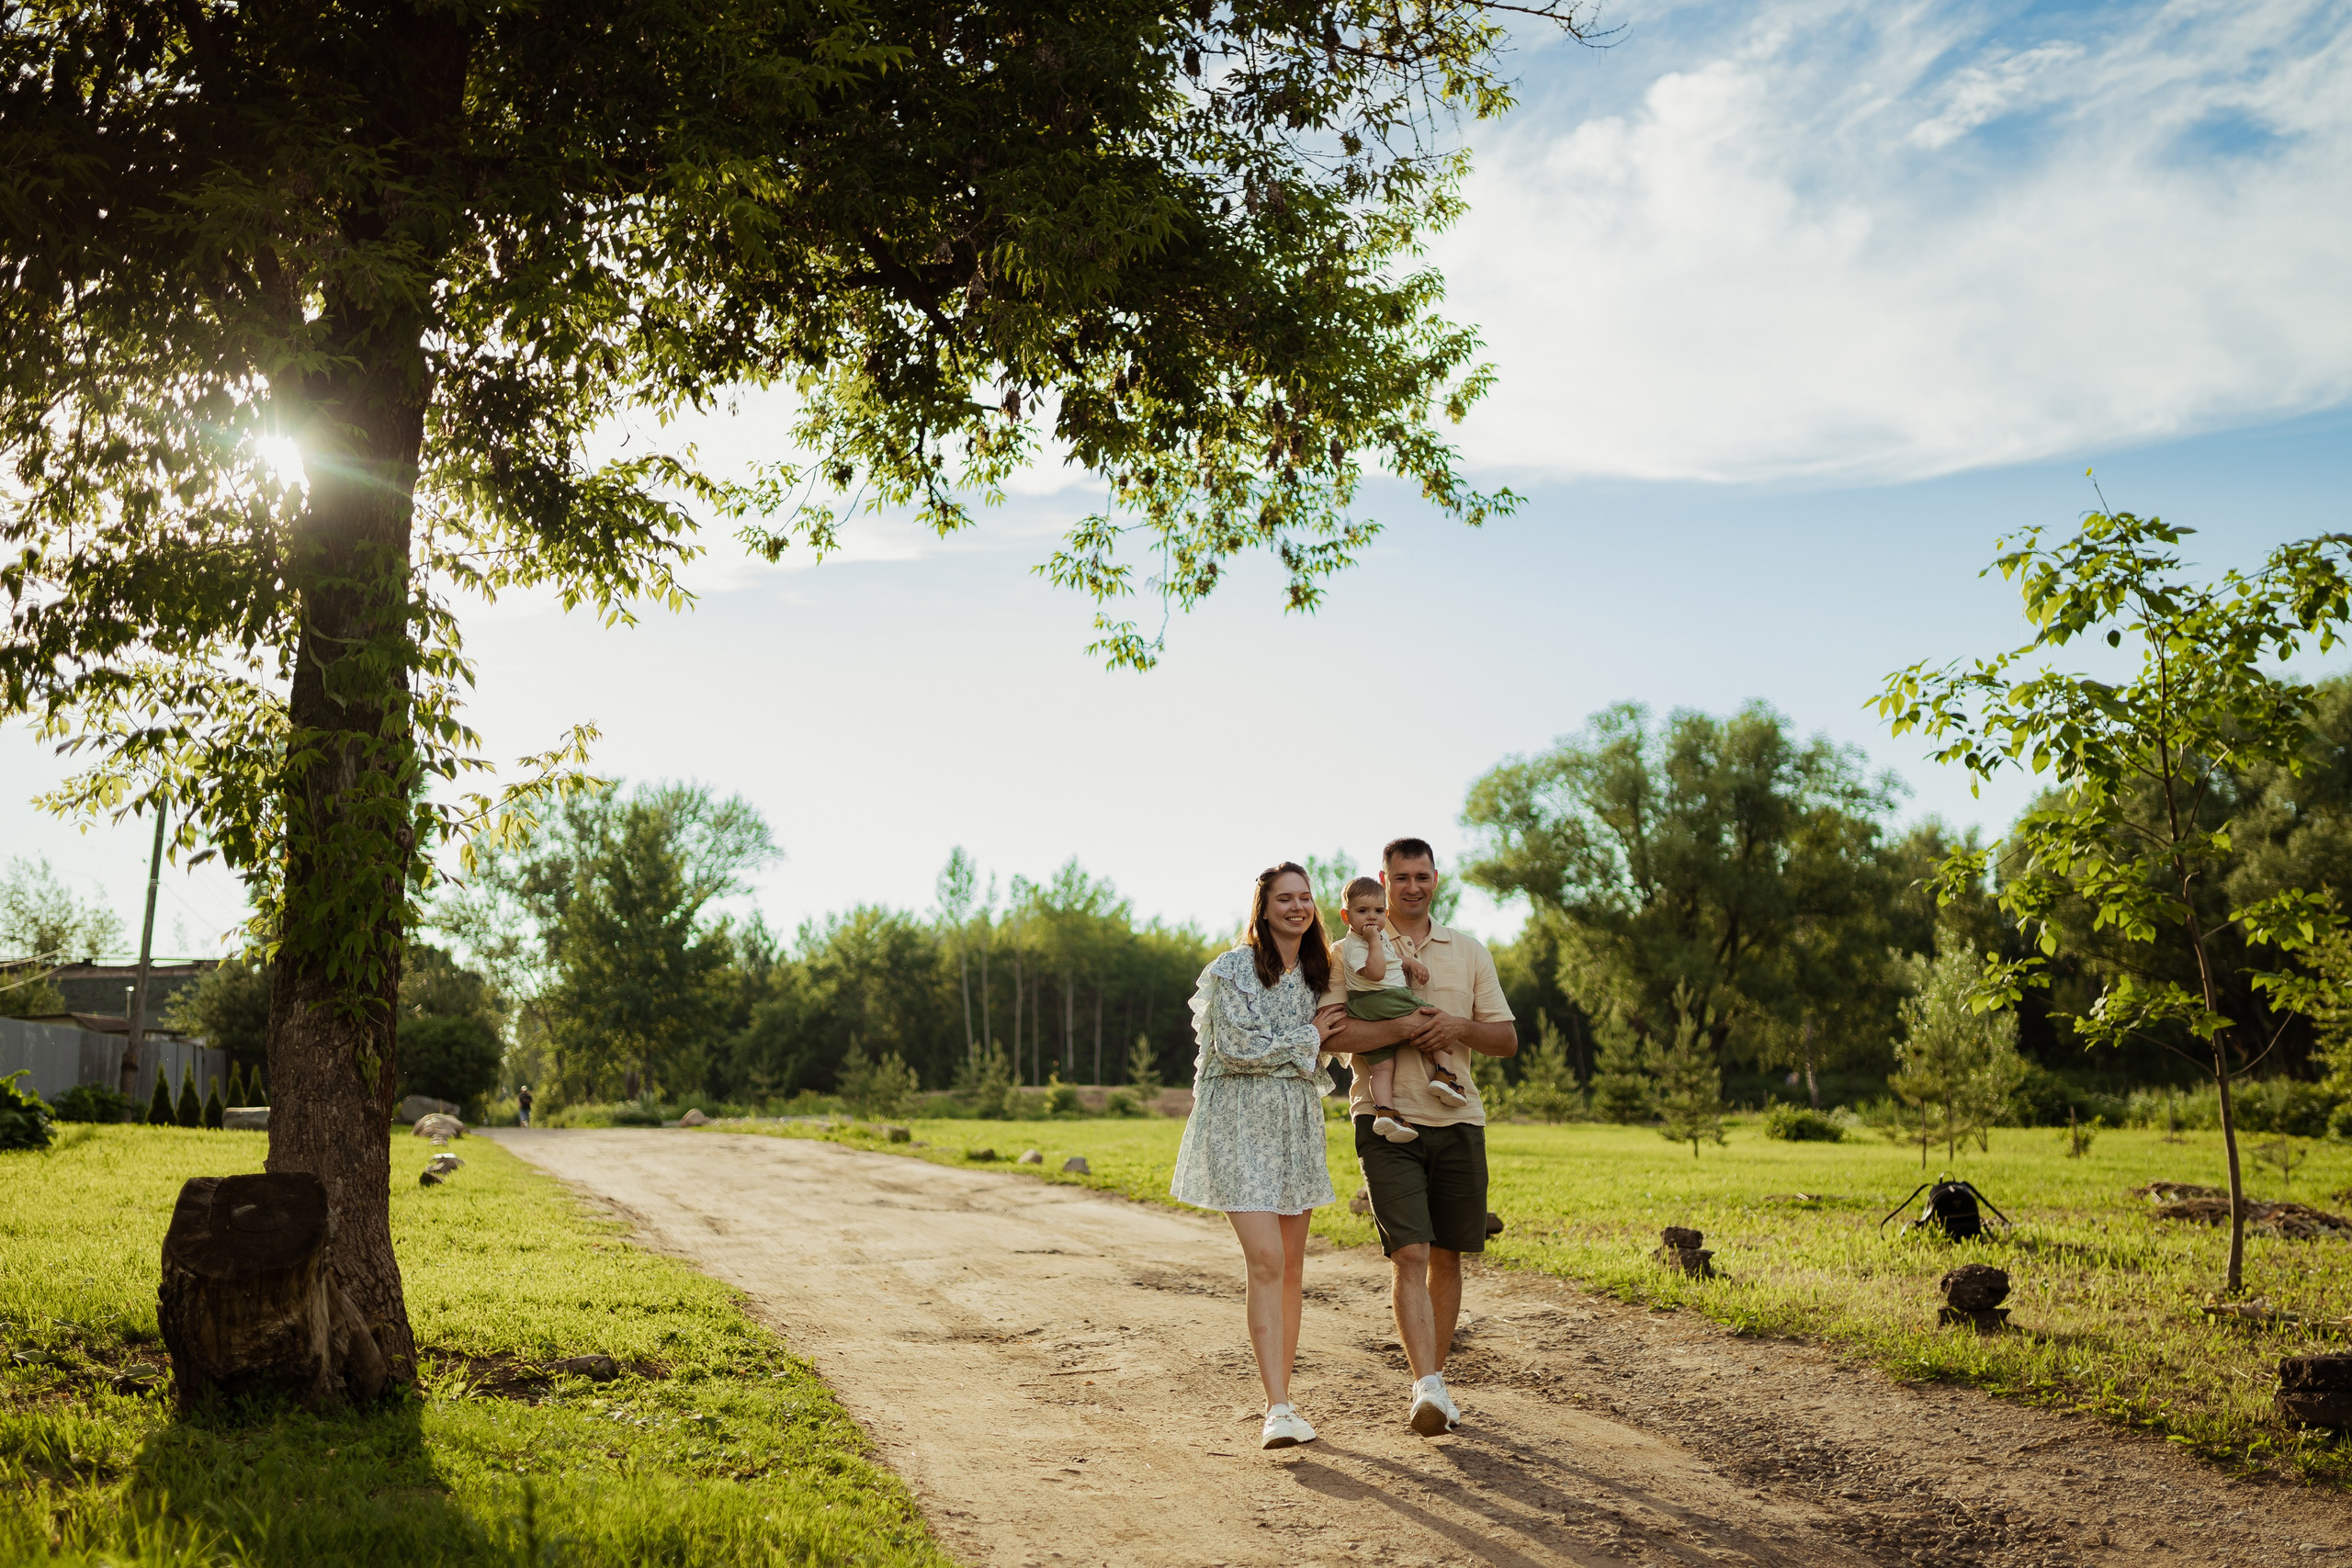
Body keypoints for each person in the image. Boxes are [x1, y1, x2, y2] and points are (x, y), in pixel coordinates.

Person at [1317, 838, 1516, 1438]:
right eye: (1400, 876)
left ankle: (1437, 1382)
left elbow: (1505, 1038)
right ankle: (1425, 1384)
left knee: (1448, 1252)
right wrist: (1401, 1025)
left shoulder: (1470, 952)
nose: (1411, 886)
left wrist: (1457, 1026)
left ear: (1436, 878)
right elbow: (1330, 1034)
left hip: (1459, 1121)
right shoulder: (1345, 949)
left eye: (1421, 876)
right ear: (1383, 879)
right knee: (1410, 1250)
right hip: (1383, 1117)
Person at [1169, 862, 1340, 1450]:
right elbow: (1239, 1049)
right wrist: (1311, 1036)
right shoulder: (1234, 968)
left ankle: (1286, 1399)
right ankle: (1277, 1408)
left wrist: (1309, 1040)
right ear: (1263, 909)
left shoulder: (1323, 972)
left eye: (1305, 898)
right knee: (1265, 1259)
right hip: (1237, 1124)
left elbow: (1344, 1030)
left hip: (1294, 1124)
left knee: (1291, 1268)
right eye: (1285, 899)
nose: (1297, 907)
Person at [1337, 875, 1468, 1144]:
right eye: (1362, 912)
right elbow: (1376, 972)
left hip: (1366, 1007)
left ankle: (1386, 1111)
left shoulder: (1377, 936)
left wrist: (1408, 963)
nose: (1371, 918)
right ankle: (1445, 1075)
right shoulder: (1355, 945)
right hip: (1383, 998)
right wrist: (1374, 942)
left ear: (1385, 913)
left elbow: (1390, 958)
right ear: (1346, 916)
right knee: (1434, 1019)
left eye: (1377, 911)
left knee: (1382, 1068)